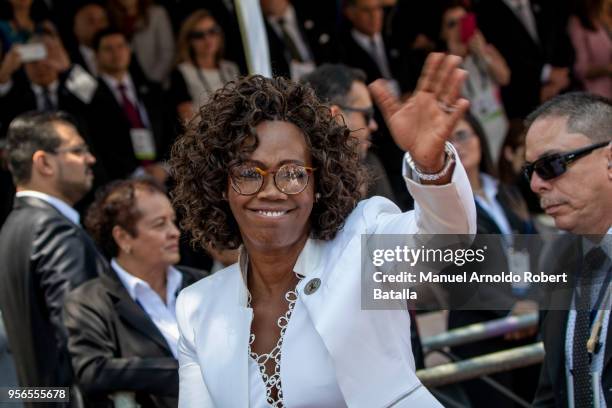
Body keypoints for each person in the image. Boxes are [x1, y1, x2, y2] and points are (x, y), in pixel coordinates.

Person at [170, 53, 476, 406]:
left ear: (319, 183)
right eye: (249, 173)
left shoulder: (362, 246)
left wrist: (431, 166)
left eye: (293, 172)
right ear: (220, 186)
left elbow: (446, 237)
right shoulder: (197, 306)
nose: (272, 190)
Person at [64, 178, 207, 407]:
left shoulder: (201, 283)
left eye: (173, 221)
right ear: (123, 237)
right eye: (160, 224)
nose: (175, 232)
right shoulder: (89, 301)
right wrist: (184, 371)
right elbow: (93, 370)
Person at [0, 111, 106, 391]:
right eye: (78, 150)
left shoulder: (13, 225)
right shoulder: (55, 230)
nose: (90, 158)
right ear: (44, 162)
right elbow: (83, 344)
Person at [446, 112, 539, 407]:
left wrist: (532, 303)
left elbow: (532, 251)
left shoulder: (507, 192)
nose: (457, 146)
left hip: (529, 325)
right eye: (447, 142)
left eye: (462, 135)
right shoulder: (440, 208)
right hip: (480, 334)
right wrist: (509, 310)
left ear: (480, 138)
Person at [524, 93, 611, 407]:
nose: (536, 184)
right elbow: (553, 390)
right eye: (530, 170)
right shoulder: (558, 259)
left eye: (551, 164)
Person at [302, 63, 396, 202]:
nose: (374, 125)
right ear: (334, 116)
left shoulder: (369, 164)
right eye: (367, 115)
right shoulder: (300, 174)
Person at [86, 28, 170, 183]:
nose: (116, 53)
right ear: (96, 56)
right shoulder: (90, 97)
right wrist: (136, 173)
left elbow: (171, 131)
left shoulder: (153, 90)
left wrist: (164, 167)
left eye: (121, 46)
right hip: (121, 181)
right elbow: (100, 143)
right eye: (108, 49)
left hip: (163, 176)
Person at [440, 1, 510, 163]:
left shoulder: (486, 50)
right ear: (443, 32)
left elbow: (504, 77)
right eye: (452, 24)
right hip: (474, 136)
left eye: (463, 21)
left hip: (499, 125)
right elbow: (445, 103)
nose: (459, 27)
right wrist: (455, 58)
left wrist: (482, 53)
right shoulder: (444, 64)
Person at [169, 9, 240, 122]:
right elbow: (188, 121)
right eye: (199, 35)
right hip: (206, 136)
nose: (207, 39)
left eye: (212, 31)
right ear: (189, 41)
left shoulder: (231, 68)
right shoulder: (181, 72)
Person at [107, 0, 174, 84]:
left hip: (155, 81)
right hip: (125, 83)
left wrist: (153, 82)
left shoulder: (156, 14)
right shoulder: (110, 18)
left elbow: (167, 52)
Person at [567, 0, 612, 98]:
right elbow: (580, 69)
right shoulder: (577, 22)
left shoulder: (603, 19)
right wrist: (608, 69)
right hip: (594, 96)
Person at [69, 2, 110, 76]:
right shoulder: (69, 60)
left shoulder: (125, 53)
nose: (99, 26)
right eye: (91, 21)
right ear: (75, 28)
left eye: (102, 20)